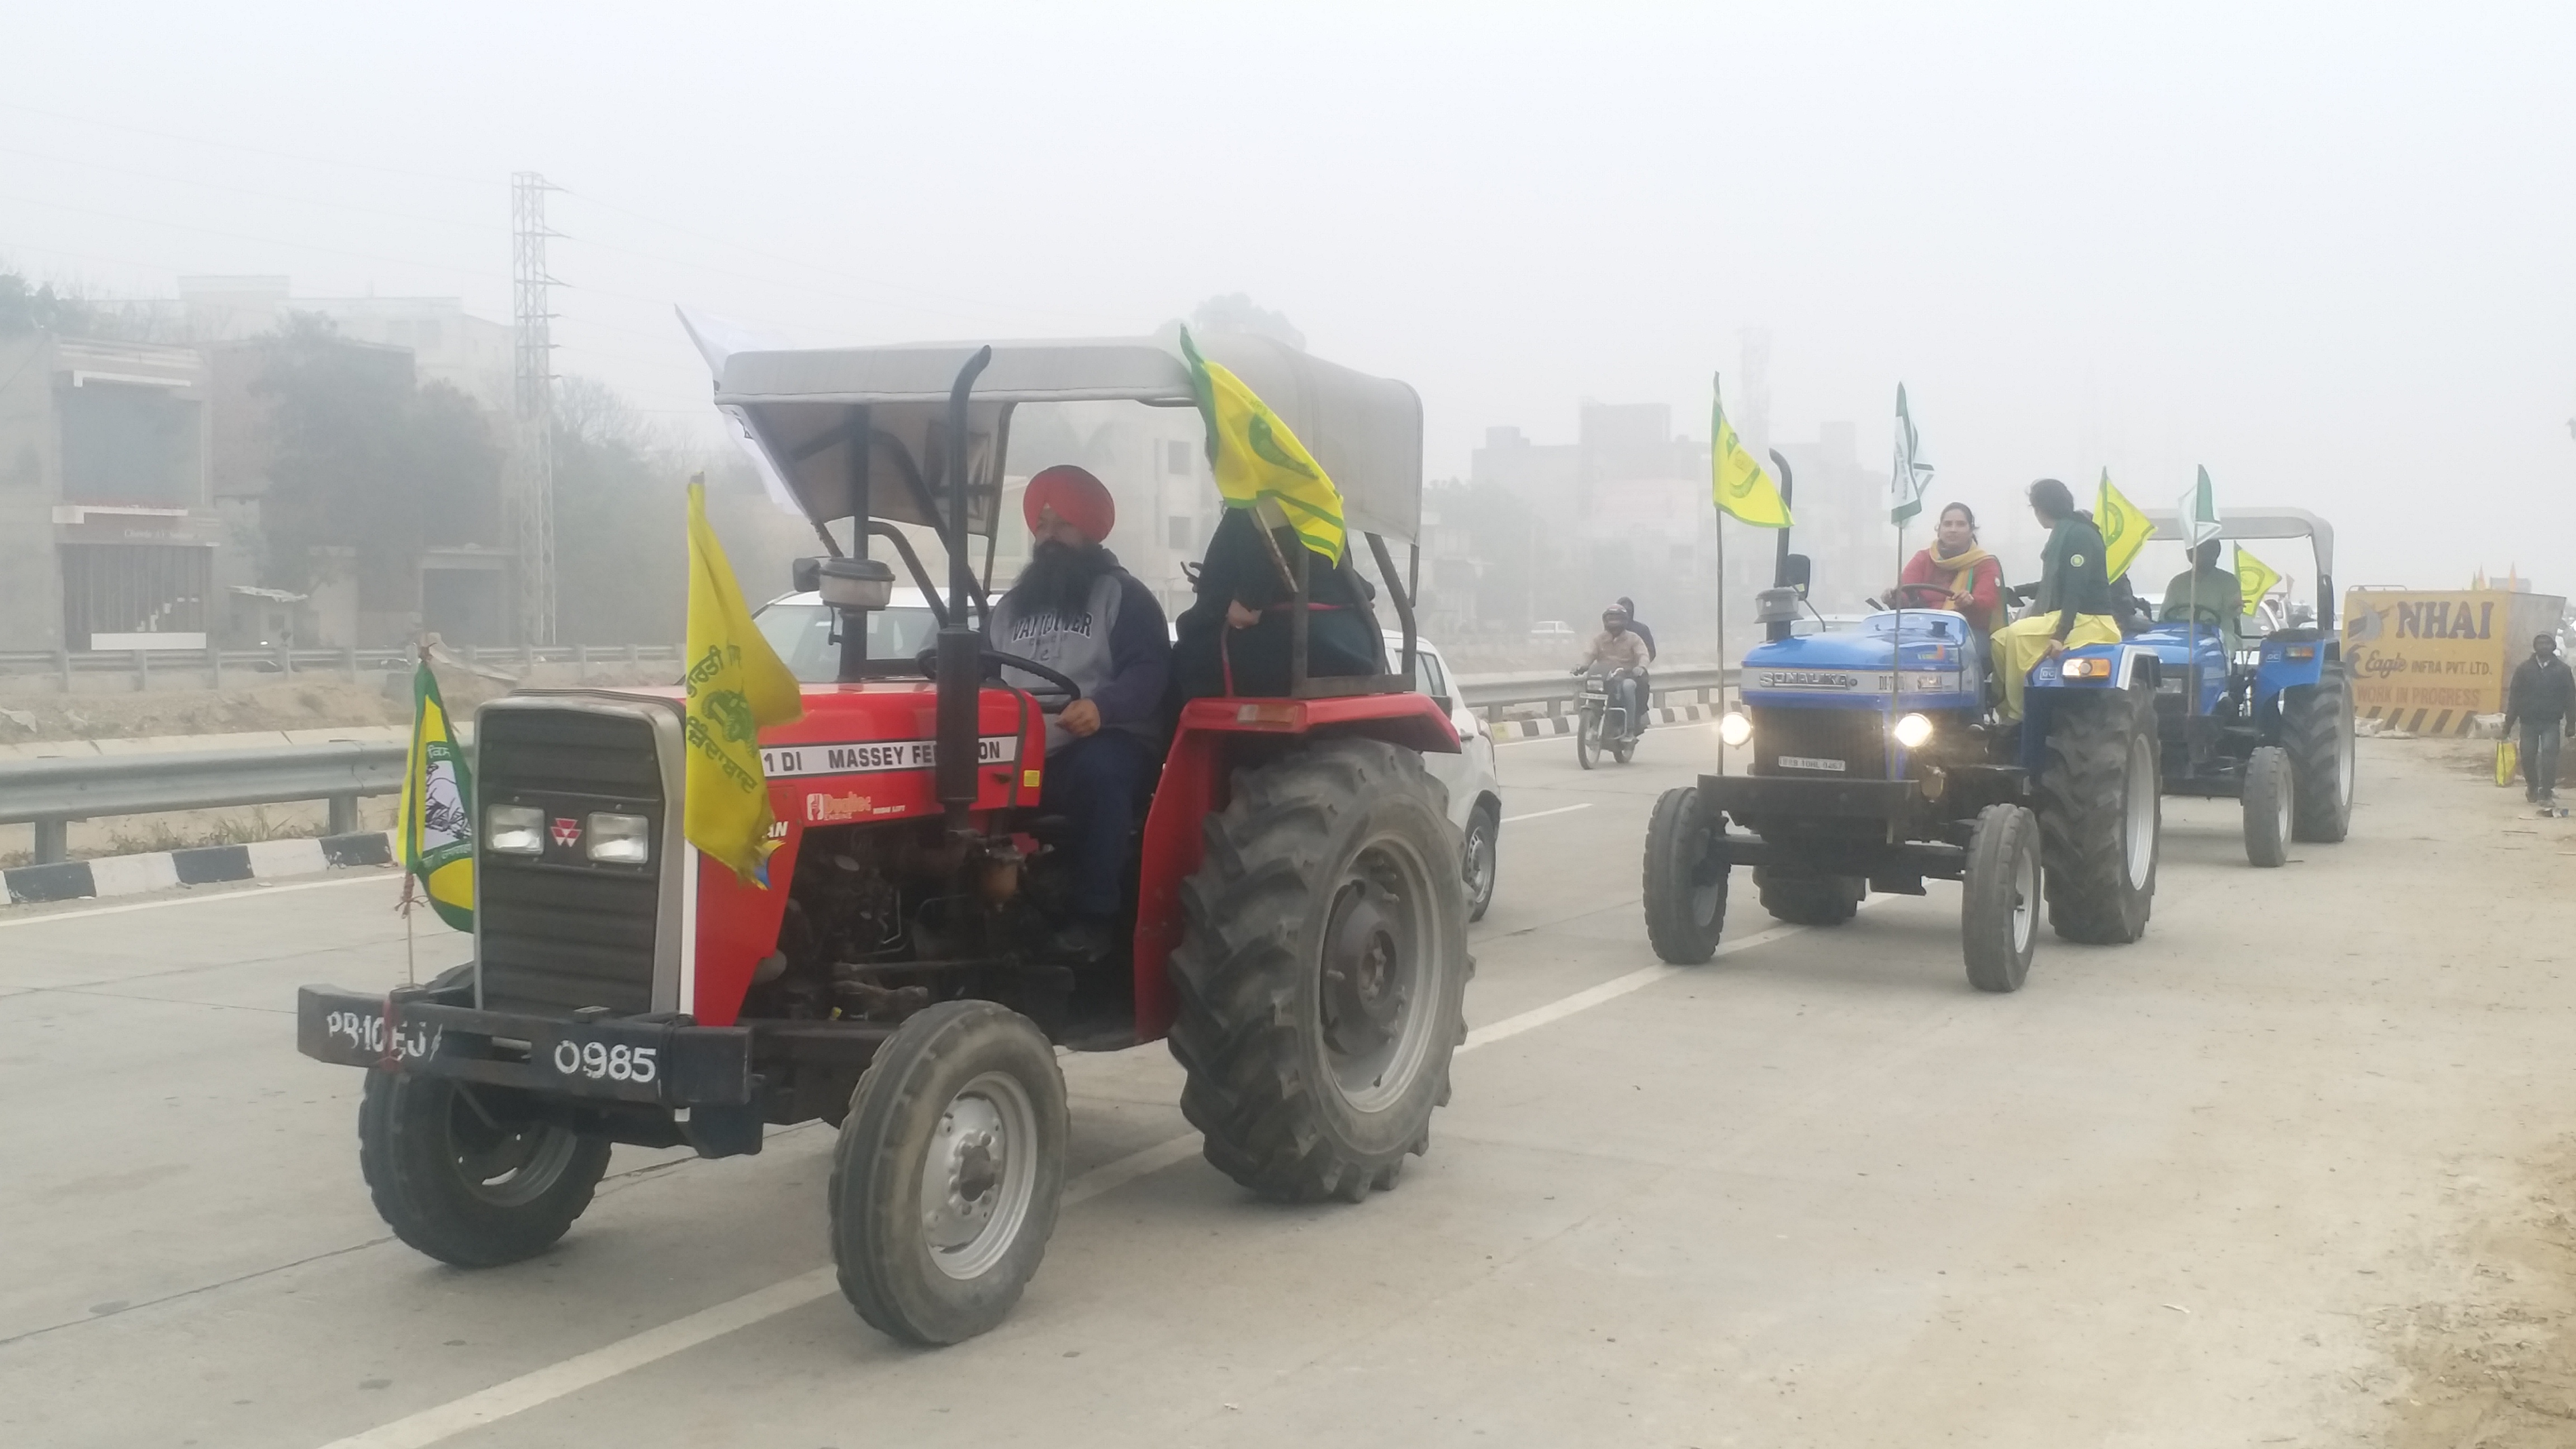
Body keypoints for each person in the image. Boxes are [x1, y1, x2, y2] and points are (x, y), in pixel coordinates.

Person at [985, 464, 1171, 958]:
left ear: (1090, 528)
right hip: (1019, 751)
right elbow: (985, 675)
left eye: (1061, 523)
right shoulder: (1007, 609)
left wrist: (1101, 707)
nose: (1048, 536)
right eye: (1041, 524)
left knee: (1101, 774)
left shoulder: (1123, 597)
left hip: (1101, 739)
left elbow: (1149, 671)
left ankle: (1095, 919)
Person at [1169, 505, 1384, 704]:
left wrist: (1242, 598)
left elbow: (1246, 610)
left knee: (1172, 671)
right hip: (1357, 647)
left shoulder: (1254, 503)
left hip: (1294, 649)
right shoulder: (1321, 501)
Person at [1991, 478, 2122, 724]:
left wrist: (2060, 636)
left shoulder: (2079, 535)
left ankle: (2021, 716)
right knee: (1999, 640)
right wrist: (2017, 590)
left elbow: (2076, 589)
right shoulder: (2063, 533)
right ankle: (2005, 708)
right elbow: (2056, 581)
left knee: (2017, 636)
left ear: (2040, 509)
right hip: (2066, 615)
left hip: (2092, 619)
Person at [1895, 502, 2004, 636]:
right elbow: (1905, 591)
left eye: (1960, 524)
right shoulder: (1923, 558)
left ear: (1971, 531)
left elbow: (1988, 602)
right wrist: (1894, 598)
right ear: (1939, 530)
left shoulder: (1985, 563)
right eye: (1947, 524)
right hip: (1921, 630)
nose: (1953, 529)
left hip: (1969, 633)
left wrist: (1970, 602)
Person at [2502, 632, 2575, 806]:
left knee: (2550, 755)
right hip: (2528, 721)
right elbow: (2515, 697)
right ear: (2535, 647)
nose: (2544, 646)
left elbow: (2571, 698)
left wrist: (2571, 723)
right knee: (2528, 756)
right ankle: (2533, 786)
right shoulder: (2524, 669)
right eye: (2540, 643)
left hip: (2551, 722)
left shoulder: (2563, 670)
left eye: (2547, 643)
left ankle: (2546, 791)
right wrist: (2508, 724)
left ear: (2553, 647)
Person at [1574, 605, 1651, 738]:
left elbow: (1643, 655)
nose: (1614, 623)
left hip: (1627, 676)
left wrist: (1641, 667)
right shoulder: (1599, 639)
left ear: (1625, 621)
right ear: (1605, 621)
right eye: (1611, 619)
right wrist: (1581, 666)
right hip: (1604, 678)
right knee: (1590, 690)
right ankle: (1593, 724)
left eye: (1617, 619)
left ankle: (1630, 729)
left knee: (1628, 687)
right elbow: (1589, 654)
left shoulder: (1634, 639)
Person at [2159, 539, 2246, 656]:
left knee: (2228, 644)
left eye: (2210, 552)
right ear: (2191, 555)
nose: (2206, 557)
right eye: (2201, 552)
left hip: (2217, 634)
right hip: (2182, 634)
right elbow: (2165, 616)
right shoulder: (2177, 583)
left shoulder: (2229, 581)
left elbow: (2233, 612)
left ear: (2216, 554)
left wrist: (2234, 607)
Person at [1614, 596, 1659, 661]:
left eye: (1629, 611)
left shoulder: (1642, 629)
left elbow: (1651, 652)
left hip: (1637, 667)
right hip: (1615, 667)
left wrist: (1641, 664)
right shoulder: (1613, 630)